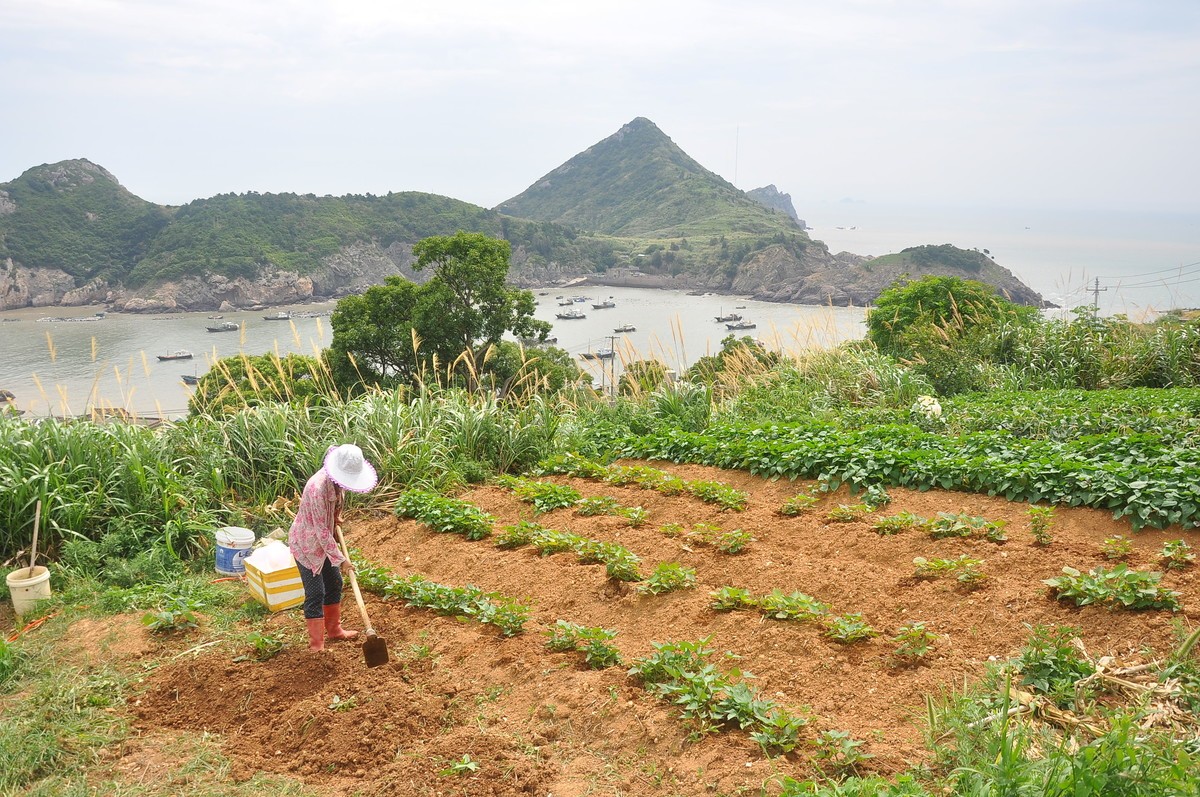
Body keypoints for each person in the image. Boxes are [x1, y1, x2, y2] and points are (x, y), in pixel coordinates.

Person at [289, 443, 378, 651]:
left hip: (326, 541)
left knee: (335, 582)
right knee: (316, 592)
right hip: (308, 544)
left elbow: (333, 513)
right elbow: (320, 531)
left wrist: (336, 518)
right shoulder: (316, 488)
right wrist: (342, 560)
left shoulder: (338, 484)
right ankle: (316, 645)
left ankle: (334, 630)